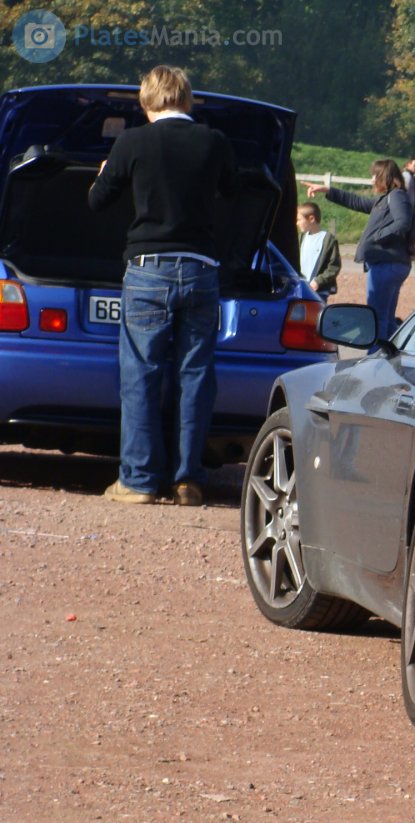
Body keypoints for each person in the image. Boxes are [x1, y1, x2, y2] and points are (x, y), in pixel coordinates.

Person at [87, 64, 237, 507]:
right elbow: (235, 193)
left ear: (146, 100)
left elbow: (97, 202)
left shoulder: (132, 142)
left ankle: (138, 479)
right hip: (201, 268)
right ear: (187, 98)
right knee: (195, 374)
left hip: (148, 268)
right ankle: (187, 479)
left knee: (141, 373)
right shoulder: (214, 141)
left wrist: (104, 172)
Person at [307, 159, 413, 341]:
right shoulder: (387, 198)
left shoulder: (396, 196)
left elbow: (403, 223)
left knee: (376, 319)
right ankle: (389, 353)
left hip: (386, 263)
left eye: (375, 175)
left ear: (384, 177)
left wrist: (377, 236)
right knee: (385, 319)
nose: (372, 180)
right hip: (388, 263)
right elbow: (357, 201)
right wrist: (328, 190)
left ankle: (375, 354)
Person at [295, 201, 341, 300]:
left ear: (311, 219)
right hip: (302, 288)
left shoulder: (328, 239)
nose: (297, 223)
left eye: (299, 220)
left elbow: (334, 266)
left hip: (319, 291)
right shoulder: (301, 238)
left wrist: (318, 281)